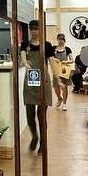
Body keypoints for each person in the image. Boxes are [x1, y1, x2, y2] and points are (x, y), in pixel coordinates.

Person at [20, 20, 54, 154]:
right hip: (30, 81)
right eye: (32, 29)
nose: (34, 31)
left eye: (36, 29)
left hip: (44, 82)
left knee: (41, 116)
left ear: (41, 30)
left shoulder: (47, 45)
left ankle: (43, 144)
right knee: (30, 116)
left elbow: (52, 62)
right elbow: (23, 58)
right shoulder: (25, 44)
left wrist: (57, 78)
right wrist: (26, 64)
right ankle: (34, 136)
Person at [52, 33, 72, 111]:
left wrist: (66, 62)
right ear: (57, 39)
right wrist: (55, 60)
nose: (61, 41)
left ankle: (64, 104)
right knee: (56, 86)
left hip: (64, 70)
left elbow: (72, 60)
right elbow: (50, 58)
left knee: (64, 87)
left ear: (64, 40)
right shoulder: (53, 48)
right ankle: (59, 98)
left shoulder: (67, 49)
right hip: (56, 70)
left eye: (62, 39)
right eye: (59, 39)